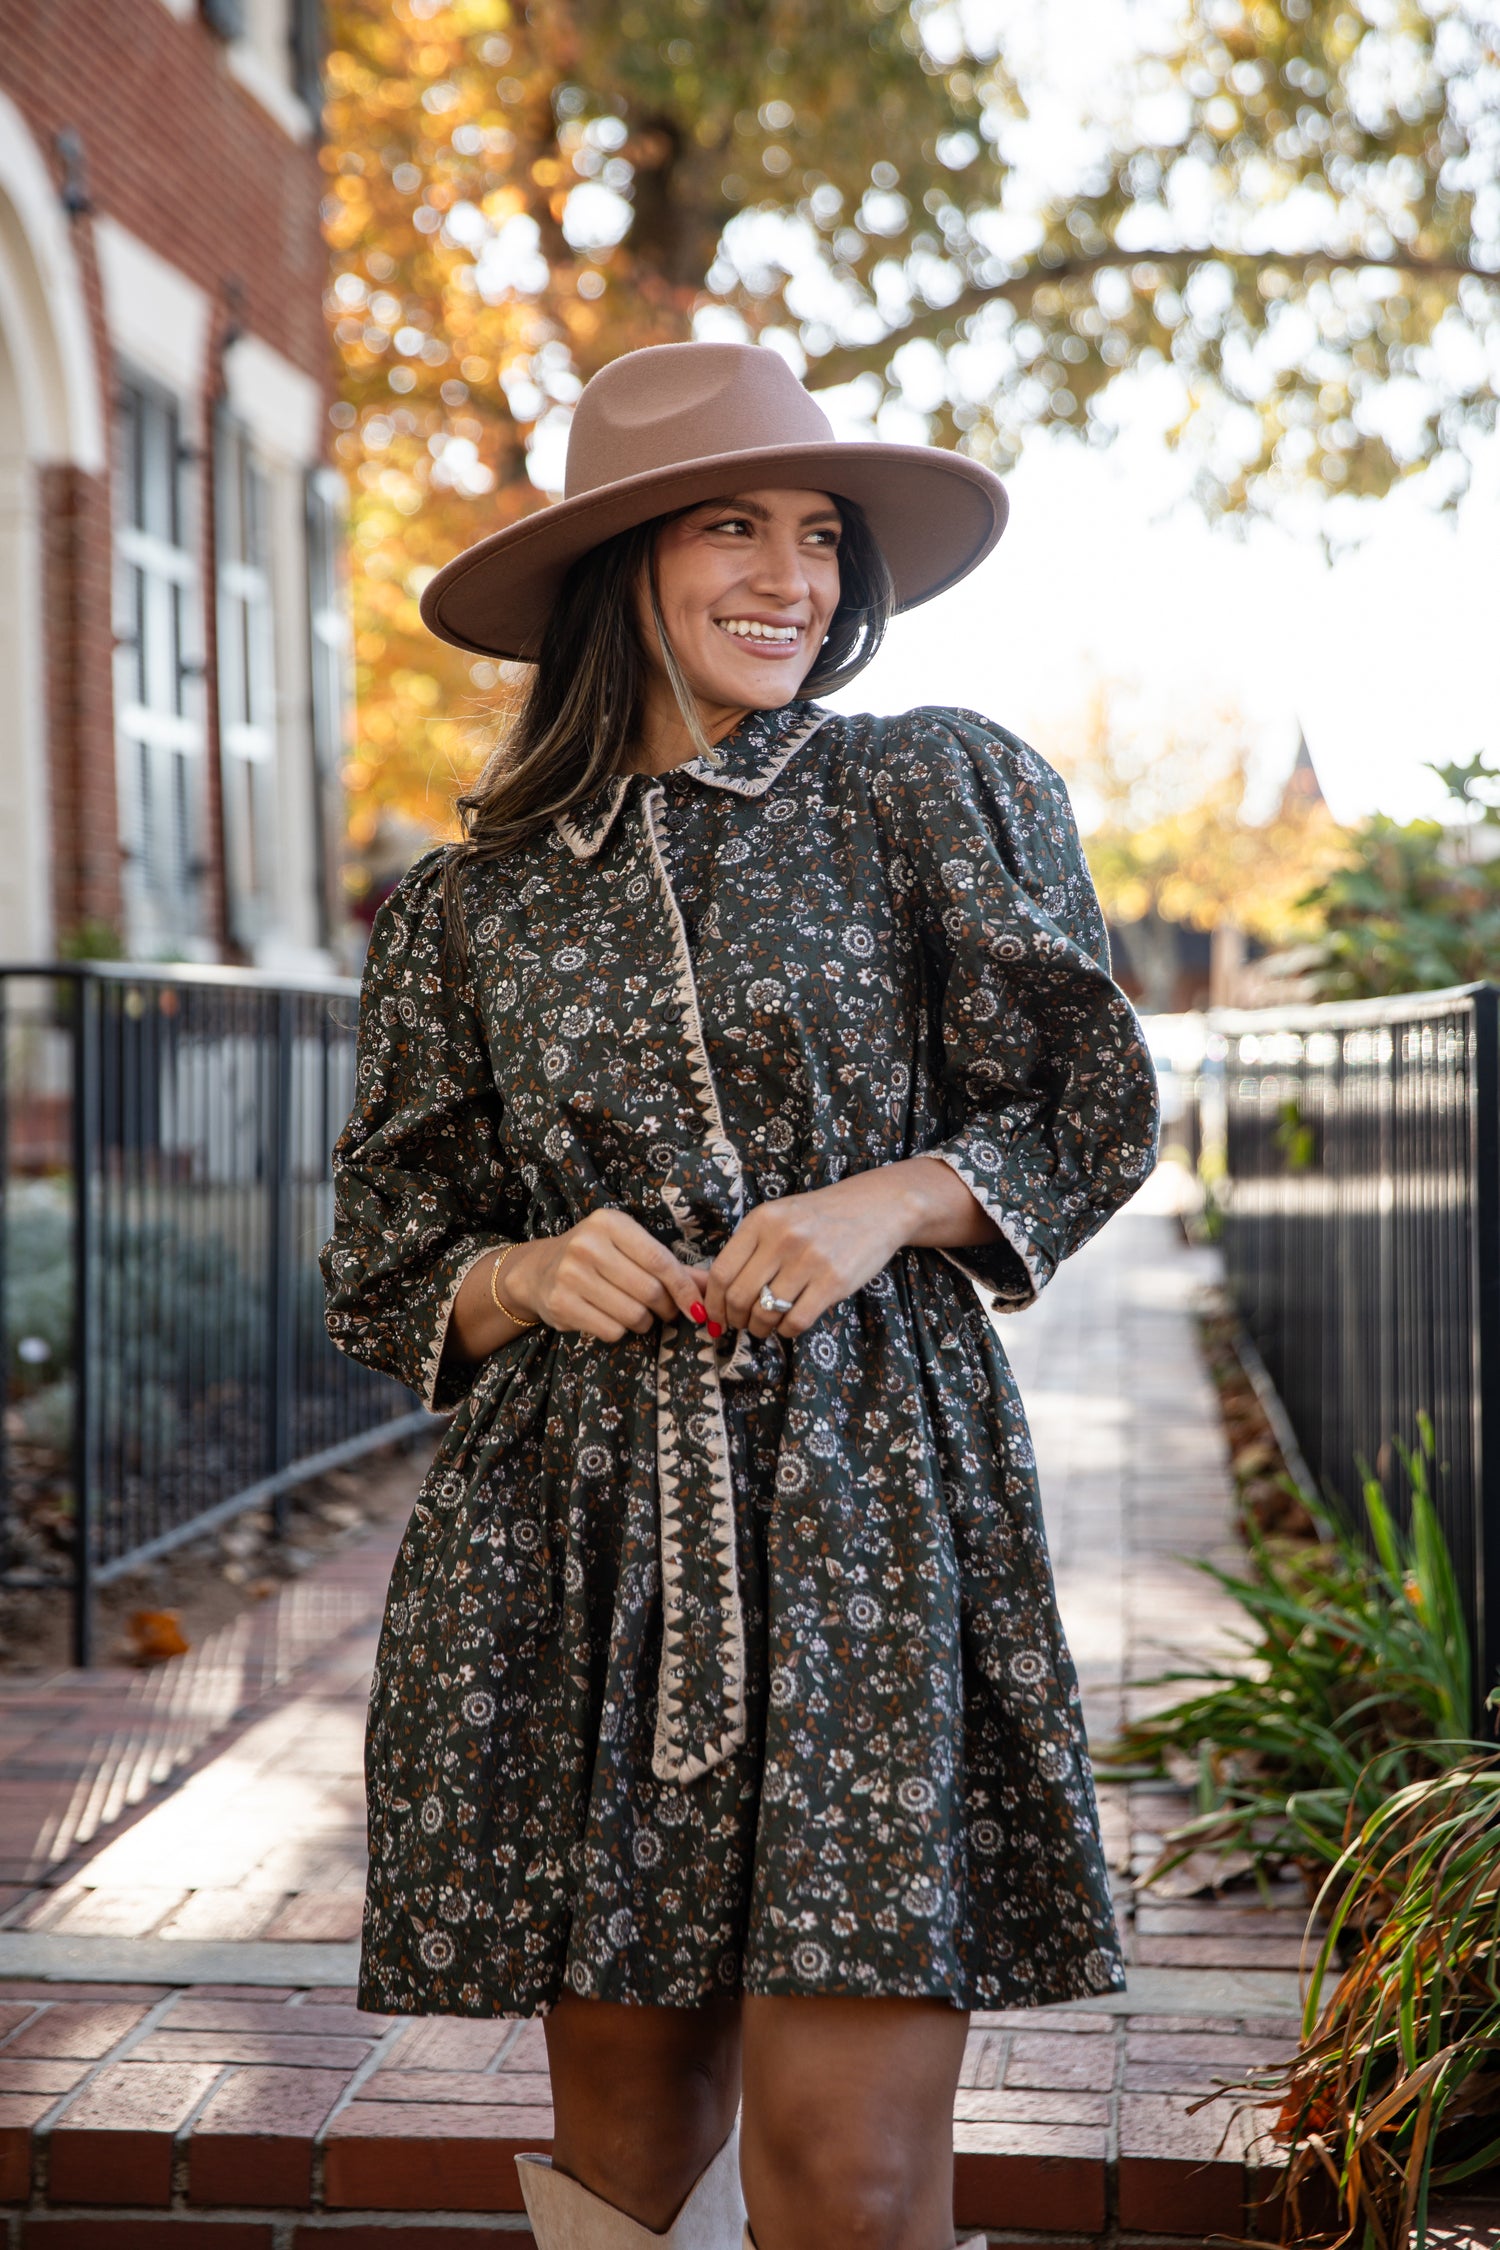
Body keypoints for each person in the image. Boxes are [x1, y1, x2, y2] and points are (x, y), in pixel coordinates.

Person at [321, 341, 1159, 2250]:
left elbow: (1092, 1094)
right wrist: (522, 1269)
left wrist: (894, 1196)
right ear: (622, 563)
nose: (793, 573)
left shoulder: (925, 783)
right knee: (621, 2163)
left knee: (848, 2173)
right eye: (732, 527)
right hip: (578, 1545)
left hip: (867, 1502)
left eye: (818, 534)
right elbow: (385, 1246)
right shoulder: (467, 907)